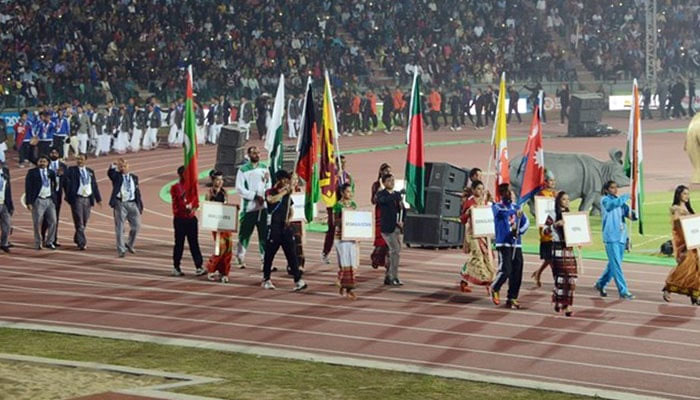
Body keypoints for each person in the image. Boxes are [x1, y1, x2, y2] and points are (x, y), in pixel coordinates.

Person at [261, 169, 307, 291]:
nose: (287, 182)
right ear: (279, 180)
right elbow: (271, 200)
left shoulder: (288, 194)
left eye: (288, 180)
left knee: (292, 254)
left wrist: (289, 219)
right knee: (269, 255)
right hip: (274, 228)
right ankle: (266, 279)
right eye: (285, 179)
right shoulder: (270, 191)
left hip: (285, 228)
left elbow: (290, 209)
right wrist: (284, 192)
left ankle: (298, 280)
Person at [490, 183, 530, 309]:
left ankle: (512, 297)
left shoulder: (517, 207)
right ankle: (495, 287)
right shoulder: (496, 207)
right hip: (503, 243)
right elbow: (502, 213)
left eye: (511, 191)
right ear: (502, 194)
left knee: (517, 271)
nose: (511, 194)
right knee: (506, 270)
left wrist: (519, 231)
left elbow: (526, 222)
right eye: (508, 192)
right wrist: (515, 212)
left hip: (516, 244)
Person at [594, 180, 635, 299]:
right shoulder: (605, 200)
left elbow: (629, 215)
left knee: (614, 265)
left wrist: (635, 213)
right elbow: (611, 205)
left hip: (621, 237)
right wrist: (625, 197)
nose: (615, 190)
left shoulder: (620, 202)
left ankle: (601, 283)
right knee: (616, 265)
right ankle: (623, 291)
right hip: (611, 237)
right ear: (607, 190)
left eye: (616, 187)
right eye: (612, 188)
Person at [662, 185, 700, 304]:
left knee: (696, 269)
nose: (687, 196)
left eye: (688, 194)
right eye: (684, 193)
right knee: (684, 268)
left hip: (694, 242)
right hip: (684, 243)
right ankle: (669, 287)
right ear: (678, 195)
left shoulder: (688, 209)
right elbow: (677, 224)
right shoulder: (676, 209)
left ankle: (695, 294)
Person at [235, 146, 271, 269]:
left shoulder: (264, 167)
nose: (257, 155)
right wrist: (255, 196)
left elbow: (269, 184)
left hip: (263, 207)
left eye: (258, 152)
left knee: (264, 234)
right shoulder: (243, 170)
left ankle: (265, 260)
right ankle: (240, 257)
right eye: (254, 153)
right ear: (249, 155)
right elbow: (240, 189)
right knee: (245, 234)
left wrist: (265, 195)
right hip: (249, 208)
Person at [544, 191, 578, 316]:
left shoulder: (570, 215)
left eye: (568, 199)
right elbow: (545, 231)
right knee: (561, 278)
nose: (567, 201)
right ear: (558, 201)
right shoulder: (553, 214)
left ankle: (568, 305)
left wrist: (579, 239)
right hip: (558, 248)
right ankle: (559, 300)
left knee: (572, 278)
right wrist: (555, 225)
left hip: (569, 249)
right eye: (564, 199)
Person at [459, 180, 495, 293]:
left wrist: (491, 202)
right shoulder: (469, 202)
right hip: (473, 234)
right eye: (478, 189)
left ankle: (488, 281)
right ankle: (483, 280)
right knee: (477, 256)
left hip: (483, 233)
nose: (481, 191)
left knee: (487, 257)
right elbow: (462, 219)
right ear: (473, 190)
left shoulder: (485, 201)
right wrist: (467, 214)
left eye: (482, 189)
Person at [170, 165, 205, 277]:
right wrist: (185, 208)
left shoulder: (193, 187)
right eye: (185, 174)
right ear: (180, 175)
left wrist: (193, 209)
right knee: (179, 244)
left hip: (191, 219)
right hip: (180, 219)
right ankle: (176, 267)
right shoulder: (175, 187)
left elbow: (197, 202)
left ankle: (199, 266)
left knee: (194, 243)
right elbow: (176, 203)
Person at [64, 154, 101, 250]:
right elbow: (64, 179)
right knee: (79, 221)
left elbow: (94, 185)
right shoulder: (71, 170)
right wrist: (69, 194)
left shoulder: (90, 171)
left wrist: (98, 199)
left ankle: (77, 237)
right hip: (77, 198)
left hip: (88, 198)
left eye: (81, 159)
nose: (79, 161)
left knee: (84, 221)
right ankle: (82, 243)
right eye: (78, 159)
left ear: (85, 160)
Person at [108, 158, 143, 258]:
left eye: (124, 166)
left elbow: (137, 192)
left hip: (132, 204)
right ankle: (121, 249)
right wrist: (113, 166)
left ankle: (130, 244)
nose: (123, 168)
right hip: (120, 204)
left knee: (136, 226)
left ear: (128, 166)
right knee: (120, 227)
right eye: (121, 167)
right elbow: (110, 174)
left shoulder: (134, 177)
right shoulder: (117, 177)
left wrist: (140, 204)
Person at [205, 171, 234, 283]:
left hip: (226, 224)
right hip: (216, 225)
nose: (220, 182)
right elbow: (207, 209)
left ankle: (225, 272)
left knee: (228, 248)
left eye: (221, 179)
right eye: (218, 179)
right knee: (220, 249)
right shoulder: (209, 194)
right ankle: (211, 269)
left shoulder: (224, 193)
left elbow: (227, 207)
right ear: (213, 181)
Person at [376, 173, 404, 286]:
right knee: (395, 251)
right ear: (383, 183)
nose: (392, 182)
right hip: (387, 228)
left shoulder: (397, 195)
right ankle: (392, 276)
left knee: (395, 252)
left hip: (397, 227)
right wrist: (396, 195)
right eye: (389, 181)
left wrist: (403, 221)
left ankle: (390, 276)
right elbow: (383, 201)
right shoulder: (381, 194)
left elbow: (401, 209)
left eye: (393, 180)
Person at [25, 155, 57, 250]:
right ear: (37, 162)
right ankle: (38, 242)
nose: (42, 163)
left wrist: (53, 197)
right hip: (38, 200)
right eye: (41, 161)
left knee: (53, 221)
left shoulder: (51, 172)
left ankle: (50, 241)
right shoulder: (32, 172)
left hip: (49, 200)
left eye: (44, 161)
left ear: (48, 163)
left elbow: (54, 184)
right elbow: (28, 187)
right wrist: (29, 202)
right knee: (37, 222)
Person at [531, 173, 557, 287]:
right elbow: (541, 211)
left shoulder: (555, 194)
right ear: (545, 182)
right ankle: (557, 281)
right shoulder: (541, 194)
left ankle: (538, 273)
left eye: (554, 181)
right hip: (546, 230)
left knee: (550, 258)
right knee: (550, 258)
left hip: (555, 229)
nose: (553, 183)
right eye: (550, 180)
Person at [334, 183, 358, 299]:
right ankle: (347, 287)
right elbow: (335, 222)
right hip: (341, 237)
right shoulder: (338, 206)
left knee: (352, 263)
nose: (350, 194)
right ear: (342, 193)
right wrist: (345, 218)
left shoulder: (353, 205)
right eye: (348, 191)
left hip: (351, 237)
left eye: (351, 191)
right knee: (344, 263)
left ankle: (347, 286)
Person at [43, 148, 66, 247]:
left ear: (59, 154)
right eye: (52, 152)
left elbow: (66, 181)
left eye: (56, 153)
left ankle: (53, 239)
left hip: (57, 194)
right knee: (45, 217)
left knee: (55, 217)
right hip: (47, 194)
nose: (54, 154)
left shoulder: (63, 166)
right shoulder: (45, 164)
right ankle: (42, 237)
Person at [371, 163, 391, 269]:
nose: (388, 173)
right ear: (381, 172)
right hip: (380, 212)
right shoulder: (376, 185)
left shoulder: (391, 183)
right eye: (386, 171)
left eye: (389, 171)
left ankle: (387, 262)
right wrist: (378, 194)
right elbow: (373, 201)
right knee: (380, 240)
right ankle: (375, 256)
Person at [0, 160, 13, 252]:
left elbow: (8, 189)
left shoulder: (5, 173)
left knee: (7, 225)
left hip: (4, 203)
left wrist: (10, 204)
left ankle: (4, 243)